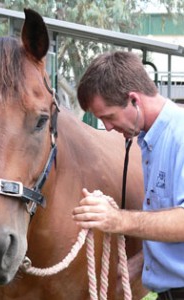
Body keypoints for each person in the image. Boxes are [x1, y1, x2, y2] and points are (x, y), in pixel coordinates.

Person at [72, 51, 184, 300]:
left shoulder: (180, 136)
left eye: (109, 117)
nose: (108, 128)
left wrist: (117, 220)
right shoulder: (149, 140)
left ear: (134, 99)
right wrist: (140, 263)